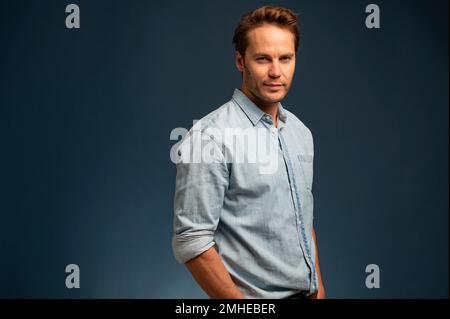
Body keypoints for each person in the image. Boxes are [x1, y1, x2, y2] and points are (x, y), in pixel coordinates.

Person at [172, 5, 325, 299]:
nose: (275, 71)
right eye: (263, 59)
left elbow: (303, 220)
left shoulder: (301, 133)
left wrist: (319, 291)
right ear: (240, 61)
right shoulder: (210, 137)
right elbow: (191, 241)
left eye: (285, 58)